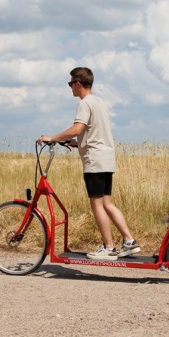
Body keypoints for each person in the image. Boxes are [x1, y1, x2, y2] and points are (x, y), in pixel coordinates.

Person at [37, 67, 140, 260]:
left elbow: (77, 128)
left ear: (78, 83)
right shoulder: (100, 103)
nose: (70, 89)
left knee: (97, 205)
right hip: (107, 158)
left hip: (94, 161)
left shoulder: (84, 103)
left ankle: (108, 247)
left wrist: (52, 137)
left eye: (70, 84)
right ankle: (129, 241)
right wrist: (76, 143)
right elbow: (93, 133)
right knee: (107, 203)